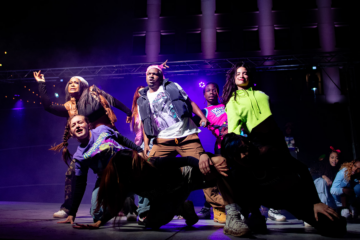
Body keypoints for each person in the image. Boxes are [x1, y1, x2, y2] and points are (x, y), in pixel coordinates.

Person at [33, 71, 141, 218]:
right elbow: (48, 106)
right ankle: (67, 209)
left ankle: (129, 209)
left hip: (107, 139)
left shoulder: (93, 93)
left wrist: (128, 112)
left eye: (76, 82)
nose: (72, 84)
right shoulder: (70, 106)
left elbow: (113, 101)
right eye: (70, 83)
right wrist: (41, 83)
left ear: (83, 85)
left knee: (119, 172)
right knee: (72, 173)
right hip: (91, 145)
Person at [220, 133, 347, 237]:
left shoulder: (268, 153)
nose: (243, 156)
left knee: (333, 227)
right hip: (268, 199)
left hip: (292, 198)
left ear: (248, 144)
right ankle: (255, 217)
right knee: (233, 178)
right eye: (237, 155)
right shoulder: (238, 170)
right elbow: (241, 192)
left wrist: (315, 202)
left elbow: (302, 169)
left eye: (243, 150)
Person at [137, 61, 217, 222]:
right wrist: (146, 144)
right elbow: (146, 122)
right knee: (148, 172)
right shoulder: (142, 99)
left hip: (186, 136)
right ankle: (172, 206)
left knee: (206, 167)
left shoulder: (172, 86)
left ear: (160, 76)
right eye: (148, 74)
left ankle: (221, 206)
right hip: (162, 141)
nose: (151, 76)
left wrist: (202, 117)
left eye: (154, 74)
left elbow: (190, 103)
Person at [95, 147, 229, 229]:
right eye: (136, 163)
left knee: (217, 164)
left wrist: (203, 165)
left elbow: (187, 160)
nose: (142, 162)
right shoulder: (129, 183)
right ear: (127, 171)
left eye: (139, 159)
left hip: (187, 179)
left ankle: (237, 205)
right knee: (150, 224)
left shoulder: (155, 163)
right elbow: (117, 204)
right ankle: (183, 208)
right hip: (169, 197)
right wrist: (100, 222)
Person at [222, 61, 287, 224]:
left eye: (244, 73)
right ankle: (253, 211)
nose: (242, 76)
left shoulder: (262, 95)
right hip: (257, 142)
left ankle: (304, 208)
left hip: (276, 138)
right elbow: (234, 129)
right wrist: (237, 149)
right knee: (254, 177)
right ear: (233, 79)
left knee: (286, 172)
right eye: (238, 74)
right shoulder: (233, 101)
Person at [56, 115, 143, 228]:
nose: (77, 126)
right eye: (73, 125)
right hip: (106, 179)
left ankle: (138, 208)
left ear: (88, 125)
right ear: (71, 133)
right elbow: (80, 185)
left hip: (126, 171)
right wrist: (72, 213)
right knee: (97, 215)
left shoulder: (102, 130)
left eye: (80, 122)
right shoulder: (79, 157)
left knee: (145, 184)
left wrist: (139, 150)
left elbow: (121, 139)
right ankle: (120, 202)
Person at [193, 82, 227, 222]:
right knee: (216, 177)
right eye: (208, 90)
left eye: (214, 90)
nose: (212, 92)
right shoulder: (204, 112)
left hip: (237, 142)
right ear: (204, 94)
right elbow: (189, 124)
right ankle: (208, 207)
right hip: (221, 146)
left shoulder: (226, 106)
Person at [128, 86, 153, 224]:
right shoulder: (134, 111)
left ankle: (144, 210)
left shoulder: (149, 106)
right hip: (138, 145)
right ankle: (136, 209)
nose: (142, 92)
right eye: (139, 91)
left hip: (148, 143)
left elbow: (147, 129)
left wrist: (145, 146)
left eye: (145, 90)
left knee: (146, 175)